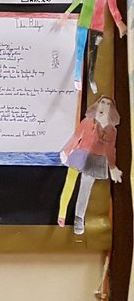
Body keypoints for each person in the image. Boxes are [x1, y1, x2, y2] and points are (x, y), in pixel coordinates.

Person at [58, 0, 126, 93]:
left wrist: (119, 22)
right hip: (84, 21)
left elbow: (113, 6)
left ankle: (90, 78)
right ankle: (77, 78)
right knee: (80, 50)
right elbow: (77, 1)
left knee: (93, 52)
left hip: (98, 24)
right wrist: (67, 13)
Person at [58, 97, 122, 235]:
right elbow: (76, 137)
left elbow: (110, 149)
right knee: (69, 184)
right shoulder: (87, 122)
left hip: (95, 160)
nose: (104, 106)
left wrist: (112, 167)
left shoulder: (111, 130)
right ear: (97, 105)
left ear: (111, 109)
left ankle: (78, 219)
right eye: (102, 102)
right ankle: (62, 214)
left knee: (85, 190)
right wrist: (67, 151)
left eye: (108, 104)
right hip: (80, 154)